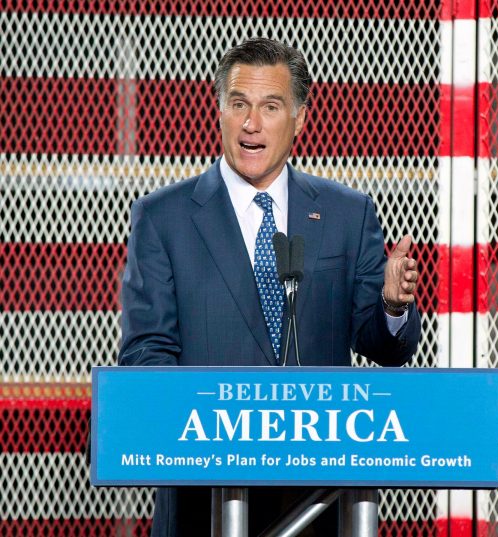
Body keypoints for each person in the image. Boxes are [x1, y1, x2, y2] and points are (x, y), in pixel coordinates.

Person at [117, 38, 421, 536]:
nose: (251, 123)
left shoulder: (347, 214)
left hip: (317, 503)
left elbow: (387, 348)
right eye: (239, 104)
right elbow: (145, 353)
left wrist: (391, 304)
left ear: (300, 118)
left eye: (270, 107)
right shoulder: (162, 218)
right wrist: (218, 421)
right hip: (202, 505)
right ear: (219, 111)